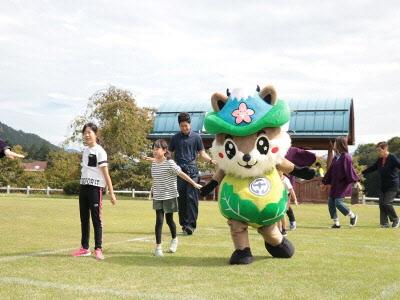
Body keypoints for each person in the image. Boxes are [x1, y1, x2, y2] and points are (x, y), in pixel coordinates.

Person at [146, 139, 202, 257]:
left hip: (170, 195)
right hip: (158, 196)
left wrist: (194, 183)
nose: (154, 151)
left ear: (165, 150)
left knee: (169, 220)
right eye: (153, 149)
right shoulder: (154, 163)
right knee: (159, 221)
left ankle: (174, 239)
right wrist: (152, 192)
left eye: (157, 149)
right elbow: (155, 179)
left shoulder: (170, 163)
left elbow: (181, 174)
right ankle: (158, 247)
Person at [72, 123, 117, 260]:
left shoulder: (100, 151)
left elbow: (105, 173)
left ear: (96, 135)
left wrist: (111, 191)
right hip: (83, 187)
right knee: (84, 219)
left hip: (95, 189)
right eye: (85, 132)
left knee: (96, 219)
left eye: (89, 132)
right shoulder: (85, 151)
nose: (86, 135)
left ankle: (98, 248)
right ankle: (84, 248)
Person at [168, 112, 216, 235]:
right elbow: (169, 153)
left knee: (192, 198)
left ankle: (191, 225)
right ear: (179, 126)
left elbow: (202, 154)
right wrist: (169, 163)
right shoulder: (175, 138)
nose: (184, 128)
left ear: (190, 124)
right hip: (180, 172)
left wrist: (211, 160)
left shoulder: (197, 137)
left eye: (186, 125)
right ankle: (184, 225)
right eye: (182, 126)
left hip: (193, 172)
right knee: (182, 199)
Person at [321, 136, 359, 228]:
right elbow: (330, 171)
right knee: (331, 202)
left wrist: (355, 181)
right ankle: (336, 223)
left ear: (339, 144)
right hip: (335, 183)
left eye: (335, 142)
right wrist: (325, 182)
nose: (334, 144)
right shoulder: (336, 157)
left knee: (338, 202)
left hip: (343, 184)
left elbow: (350, 170)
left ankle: (352, 216)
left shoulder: (346, 157)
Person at [362, 141, 400, 228]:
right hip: (383, 185)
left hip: (392, 185)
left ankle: (395, 219)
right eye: (377, 150)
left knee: (387, 203)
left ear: (385, 149)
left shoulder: (392, 158)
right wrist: (362, 172)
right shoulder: (380, 160)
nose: (378, 152)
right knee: (381, 203)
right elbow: (373, 168)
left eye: (379, 150)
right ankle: (384, 223)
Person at [279, 172, 299, 236]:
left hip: (284, 197)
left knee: (282, 214)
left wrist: (295, 199)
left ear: (282, 172)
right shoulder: (274, 178)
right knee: (277, 215)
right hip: (276, 197)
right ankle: (279, 230)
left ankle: (284, 229)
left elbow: (291, 190)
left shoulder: (286, 180)